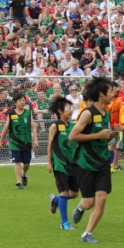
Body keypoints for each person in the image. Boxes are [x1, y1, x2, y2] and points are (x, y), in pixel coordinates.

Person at [70, 77, 122, 244]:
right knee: (89, 202)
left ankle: (87, 234)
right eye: (110, 91)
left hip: (102, 163)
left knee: (102, 198)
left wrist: (113, 133)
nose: (113, 93)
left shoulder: (105, 113)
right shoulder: (87, 113)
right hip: (85, 163)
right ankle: (80, 207)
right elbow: (73, 136)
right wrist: (97, 135)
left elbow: (103, 140)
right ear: (101, 94)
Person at [47, 96, 79, 231]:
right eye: (68, 108)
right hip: (60, 164)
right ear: (60, 111)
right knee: (65, 193)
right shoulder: (55, 126)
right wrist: (49, 162)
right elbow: (49, 145)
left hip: (73, 164)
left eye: (71, 108)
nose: (70, 111)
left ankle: (56, 200)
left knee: (75, 194)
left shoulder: (73, 126)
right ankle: (64, 223)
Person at [0, 93, 39, 189]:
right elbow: (6, 127)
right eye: (20, 101)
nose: (22, 102)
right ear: (15, 102)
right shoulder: (11, 114)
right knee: (17, 162)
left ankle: (24, 174)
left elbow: (33, 126)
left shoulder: (28, 113)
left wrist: (35, 139)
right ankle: (19, 182)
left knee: (27, 164)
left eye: (23, 101)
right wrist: (1, 141)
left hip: (26, 142)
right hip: (14, 143)